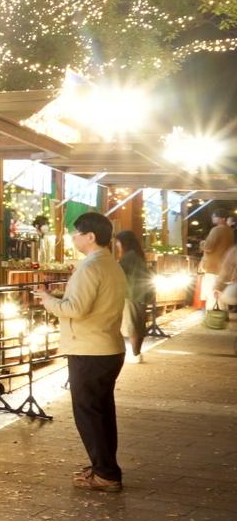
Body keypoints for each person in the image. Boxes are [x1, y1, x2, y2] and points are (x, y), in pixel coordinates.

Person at [39, 211, 128, 492]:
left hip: (90, 349)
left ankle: (106, 473)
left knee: (88, 412)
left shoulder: (90, 267)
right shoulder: (111, 264)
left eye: (76, 233)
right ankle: (105, 467)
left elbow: (75, 309)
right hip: (108, 346)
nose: (73, 237)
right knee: (101, 411)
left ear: (90, 237)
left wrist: (47, 300)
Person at [114, 230, 152, 363]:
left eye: (118, 242)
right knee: (138, 324)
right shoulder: (137, 255)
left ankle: (136, 355)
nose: (117, 245)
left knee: (132, 325)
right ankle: (137, 354)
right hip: (141, 293)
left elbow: (118, 272)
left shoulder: (128, 257)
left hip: (132, 294)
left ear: (124, 242)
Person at [198, 209, 233, 310]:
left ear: (221, 218)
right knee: (221, 291)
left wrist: (202, 243)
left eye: (214, 216)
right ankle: (223, 314)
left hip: (213, 266)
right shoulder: (229, 231)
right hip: (225, 265)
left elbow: (208, 247)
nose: (212, 218)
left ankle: (212, 314)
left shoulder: (217, 230)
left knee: (212, 291)